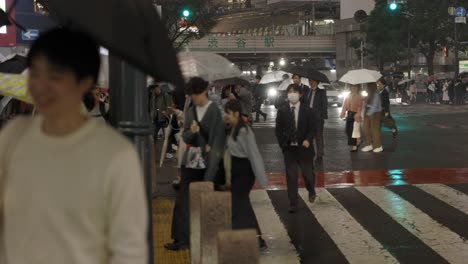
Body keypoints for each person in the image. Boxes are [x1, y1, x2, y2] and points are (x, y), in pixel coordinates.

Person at [0, 28, 148, 264]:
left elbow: (129, 249)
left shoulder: (115, 155)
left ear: (85, 82)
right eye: (35, 73)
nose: (40, 86)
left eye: (55, 77)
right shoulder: (13, 138)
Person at [165, 77, 226, 251]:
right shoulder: (191, 110)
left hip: (208, 164)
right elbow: (184, 137)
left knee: (210, 203)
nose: (194, 98)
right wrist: (190, 133)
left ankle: (213, 239)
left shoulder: (214, 112)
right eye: (191, 95)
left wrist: (210, 173)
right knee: (183, 200)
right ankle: (181, 238)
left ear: (204, 92)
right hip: (190, 163)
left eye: (196, 95)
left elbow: (217, 144)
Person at [224, 99, 268, 249]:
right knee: (243, 205)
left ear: (236, 113)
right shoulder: (232, 129)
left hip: (244, 172)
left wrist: (262, 178)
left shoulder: (245, 131)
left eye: (228, 113)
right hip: (237, 170)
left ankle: (239, 238)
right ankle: (257, 239)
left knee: (238, 204)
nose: (226, 116)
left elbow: (254, 154)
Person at [275, 84, 317, 213]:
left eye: (294, 92)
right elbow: (278, 130)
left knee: (308, 175)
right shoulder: (282, 110)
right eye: (289, 92)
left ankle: (311, 190)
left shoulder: (308, 110)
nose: (291, 94)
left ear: (300, 94)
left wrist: (308, 140)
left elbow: (312, 129)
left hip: (304, 149)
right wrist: (283, 145)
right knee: (291, 177)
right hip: (290, 150)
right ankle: (293, 203)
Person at [303, 78, 327, 162]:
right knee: (308, 136)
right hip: (307, 117)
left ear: (317, 82)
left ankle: (319, 155)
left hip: (317, 118)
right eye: (310, 81)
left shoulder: (321, 92)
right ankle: (309, 154)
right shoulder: (306, 92)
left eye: (313, 81)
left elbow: (324, 104)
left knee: (318, 136)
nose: (311, 82)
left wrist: (323, 116)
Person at [340, 85, 363, 152]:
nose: (353, 88)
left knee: (353, 131)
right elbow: (344, 105)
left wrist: (358, 114)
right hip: (349, 114)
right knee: (348, 130)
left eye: (355, 87)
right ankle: (358, 141)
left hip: (355, 114)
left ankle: (354, 146)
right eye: (352, 87)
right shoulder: (348, 95)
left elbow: (360, 106)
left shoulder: (359, 96)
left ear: (357, 88)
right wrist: (343, 113)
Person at [361, 83, 383, 153]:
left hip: (375, 113)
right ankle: (369, 144)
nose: (367, 87)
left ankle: (378, 146)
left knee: (374, 130)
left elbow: (375, 105)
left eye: (368, 86)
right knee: (365, 129)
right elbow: (367, 104)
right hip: (368, 113)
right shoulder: (369, 93)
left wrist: (369, 113)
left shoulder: (376, 94)